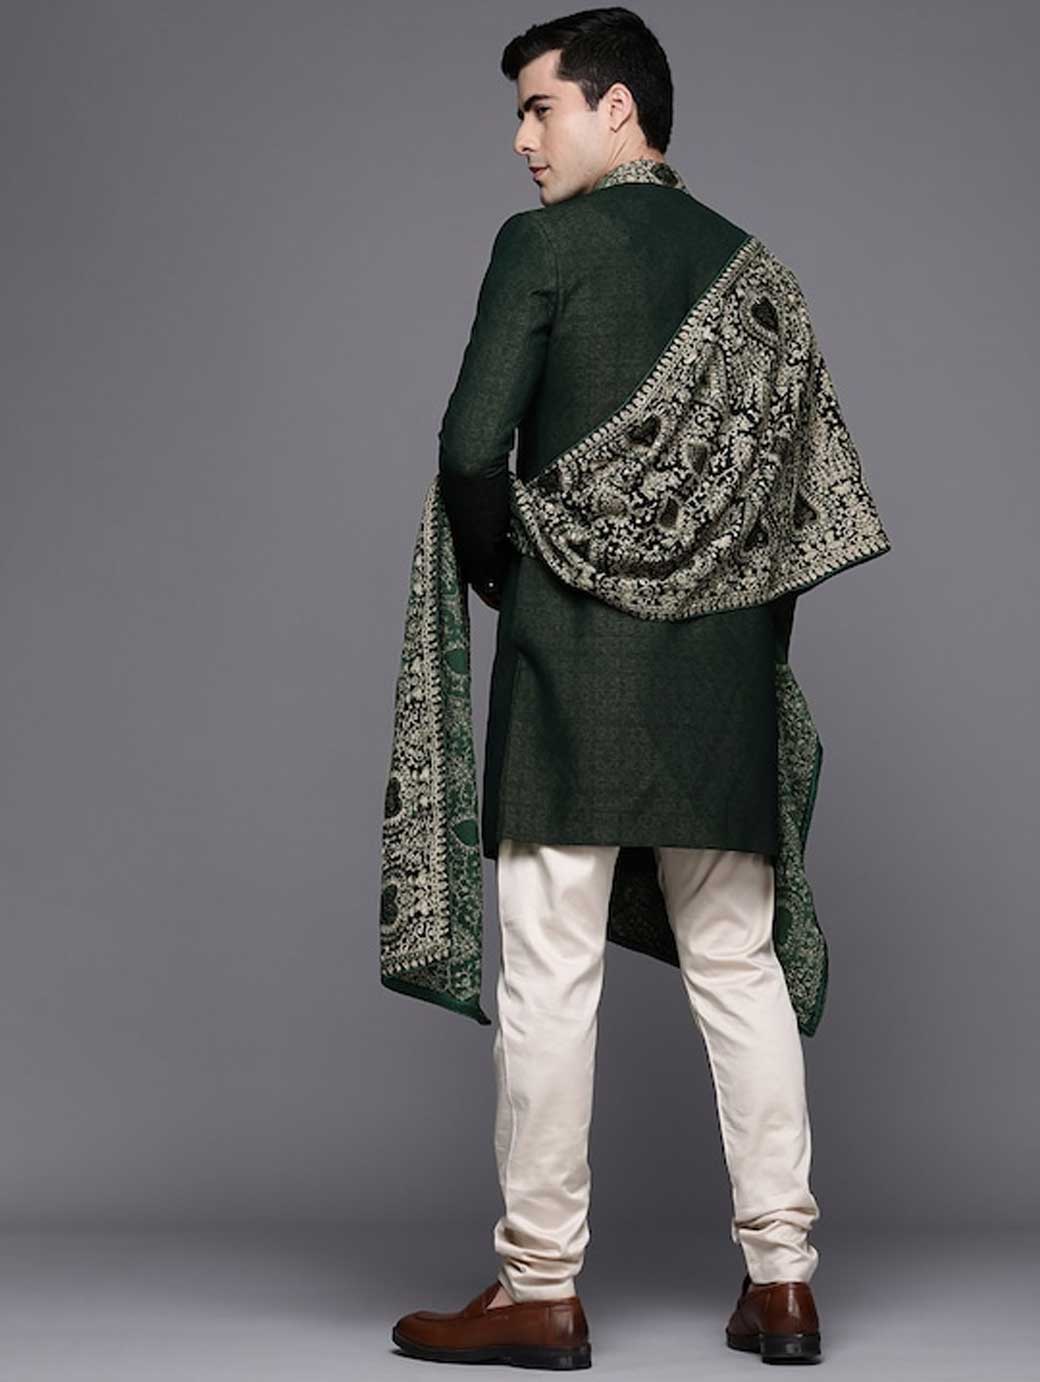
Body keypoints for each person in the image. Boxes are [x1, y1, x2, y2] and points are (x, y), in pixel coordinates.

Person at [389, 6, 883, 1367]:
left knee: (550, 975)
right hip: (719, 676)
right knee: (740, 967)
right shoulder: (760, 275)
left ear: (620, 109)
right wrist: (722, 639)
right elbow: (795, 515)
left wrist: (516, 576)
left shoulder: (541, 248)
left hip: (571, 663)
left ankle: (540, 1287)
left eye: (539, 107)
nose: (520, 140)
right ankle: (784, 1283)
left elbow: (470, 450)